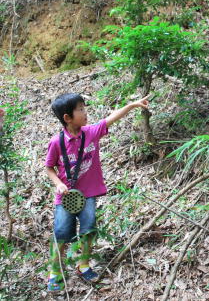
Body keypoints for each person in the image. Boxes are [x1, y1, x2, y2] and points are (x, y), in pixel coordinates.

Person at [45, 93, 149, 292]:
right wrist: (58, 183)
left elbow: (112, 118)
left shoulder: (91, 132)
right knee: (61, 233)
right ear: (67, 118)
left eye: (85, 108)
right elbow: (49, 167)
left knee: (89, 229)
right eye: (81, 110)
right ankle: (55, 271)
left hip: (88, 195)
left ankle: (83, 265)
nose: (86, 113)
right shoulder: (56, 143)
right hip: (65, 198)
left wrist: (132, 105)